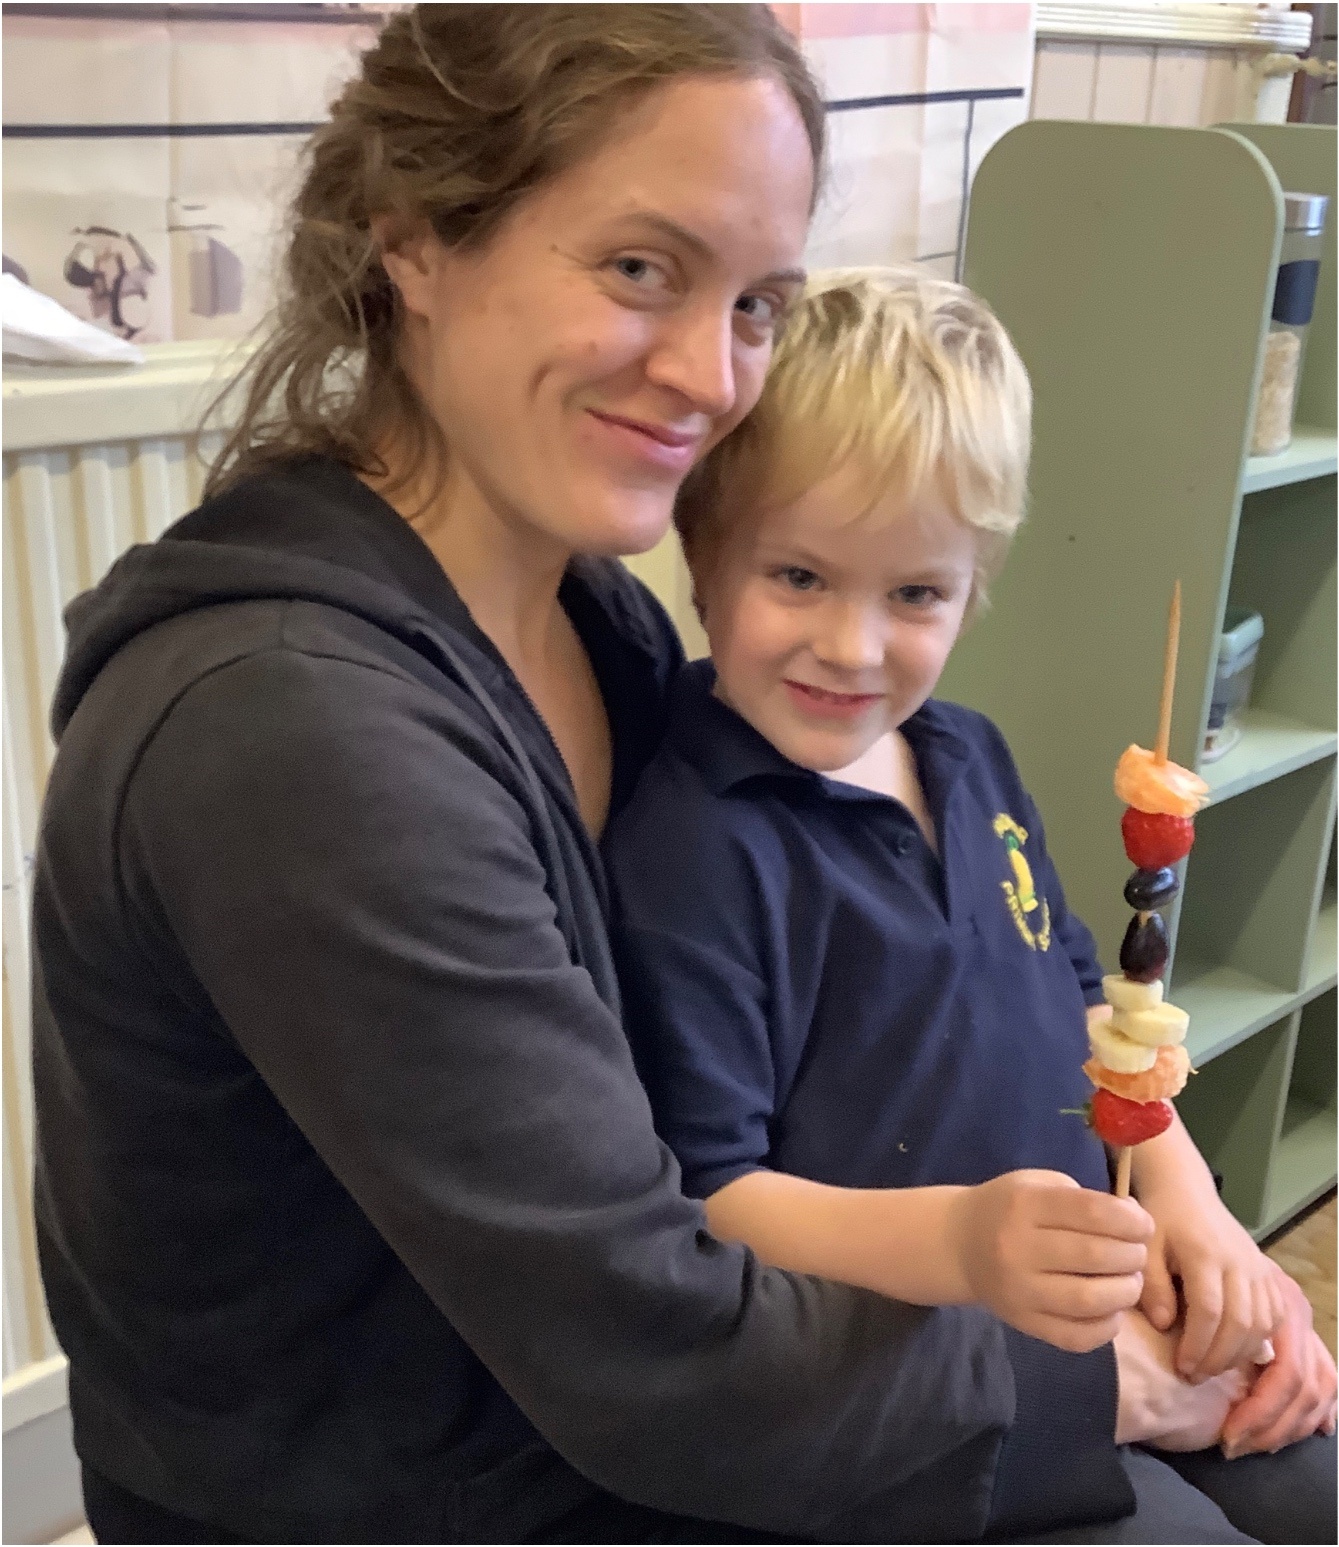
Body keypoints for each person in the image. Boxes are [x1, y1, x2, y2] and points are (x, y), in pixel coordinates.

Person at [28, 6, 1328, 1543]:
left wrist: (1164, 1249)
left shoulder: (598, 623)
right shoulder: (293, 734)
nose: (711, 377)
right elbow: (646, 1333)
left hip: (641, 1400)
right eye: (641, 267)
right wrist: (1084, 1385)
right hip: (460, 1490)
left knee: (1306, 1472)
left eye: (757, 301)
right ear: (415, 239)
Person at [605, 268, 1338, 1543]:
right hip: (926, 1393)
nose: (852, 646)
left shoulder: (970, 758)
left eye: (914, 594)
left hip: (1088, 1297)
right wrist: (966, 1240)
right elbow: (713, 1198)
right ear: (701, 552)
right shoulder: (689, 846)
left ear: (972, 587)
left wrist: (1192, 1203)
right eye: (798, 574)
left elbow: (1076, 995)